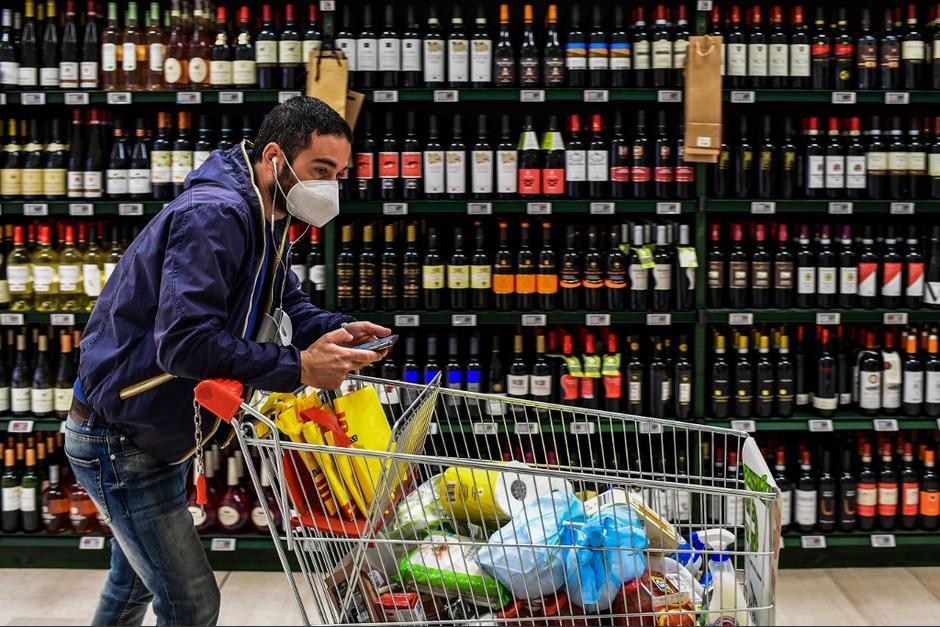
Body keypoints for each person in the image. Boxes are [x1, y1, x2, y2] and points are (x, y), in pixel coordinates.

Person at [65, 96, 390, 626]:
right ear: (275, 158)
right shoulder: (217, 213)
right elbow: (185, 344)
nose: (330, 187)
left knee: (130, 591)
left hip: (156, 434)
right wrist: (299, 368)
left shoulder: (268, 213)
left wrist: (332, 330)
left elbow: (283, 301)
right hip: (122, 438)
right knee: (191, 603)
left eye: (339, 174)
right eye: (321, 170)